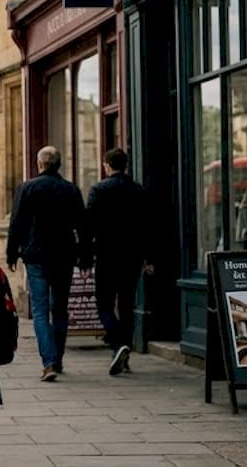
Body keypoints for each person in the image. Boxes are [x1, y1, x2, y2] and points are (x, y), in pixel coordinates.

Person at [6, 145, 87, 382]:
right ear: (59, 165)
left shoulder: (27, 188)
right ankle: (57, 358)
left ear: (40, 164)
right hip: (64, 256)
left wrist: (12, 254)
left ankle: (49, 362)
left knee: (40, 311)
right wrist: (85, 256)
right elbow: (82, 225)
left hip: (36, 256)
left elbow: (16, 223)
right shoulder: (70, 189)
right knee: (60, 308)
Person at [83, 148, 154, 376]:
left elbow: (88, 227)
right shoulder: (139, 191)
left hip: (107, 256)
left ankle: (117, 344)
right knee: (126, 304)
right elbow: (148, 227)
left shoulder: (98, 190)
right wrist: (149, 258)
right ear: (125, 166)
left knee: (104, 304)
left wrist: (85, 258)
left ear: (107, 165)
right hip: (132, 257)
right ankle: (124, 350)